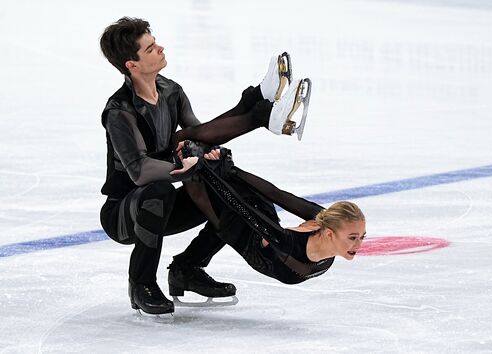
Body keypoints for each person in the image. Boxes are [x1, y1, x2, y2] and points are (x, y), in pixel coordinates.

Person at [98, 17, 311, 314]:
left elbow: (200, 134)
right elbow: (140, 171)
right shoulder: (119, 111)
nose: (160, 48)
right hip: (125, 213)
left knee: (224, 188)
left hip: (165, 205)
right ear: (132, 64)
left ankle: (187, 268)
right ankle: (141, 283)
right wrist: (186, 163)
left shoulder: (171, 91)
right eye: (150, 48)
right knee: (157, 190)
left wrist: (205, 158)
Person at [171, 143, 366, 284]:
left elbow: (279, 196)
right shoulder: (289, 244)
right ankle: (187, 156)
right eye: (353, 237)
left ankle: (203, 158)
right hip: (238, 225)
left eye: (361, 237)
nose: (359, 244)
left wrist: (232, 172)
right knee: (212, 185)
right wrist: (218, 171)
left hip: (259, 212)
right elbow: (245, 209)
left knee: (223, 172)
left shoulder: (326, 221)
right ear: (330, 234)